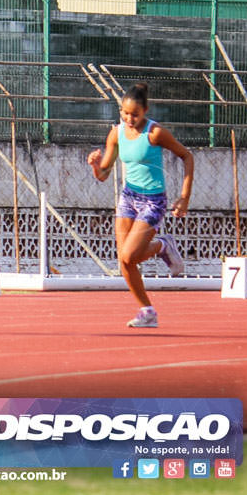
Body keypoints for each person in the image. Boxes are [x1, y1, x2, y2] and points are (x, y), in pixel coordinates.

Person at [87, 82, 194, 329]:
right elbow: (103, 174)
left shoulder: (155, 133)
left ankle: (162, 246)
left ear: (145, 111)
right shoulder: (116, 133)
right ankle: (147, 311)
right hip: (128, 198)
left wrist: (184, 196)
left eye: (135, 114)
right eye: (125, 113)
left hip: (153, 202)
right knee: (124, 261)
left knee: (129, 254)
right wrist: (96, 164)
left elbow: (187, 156)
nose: (129, 118)